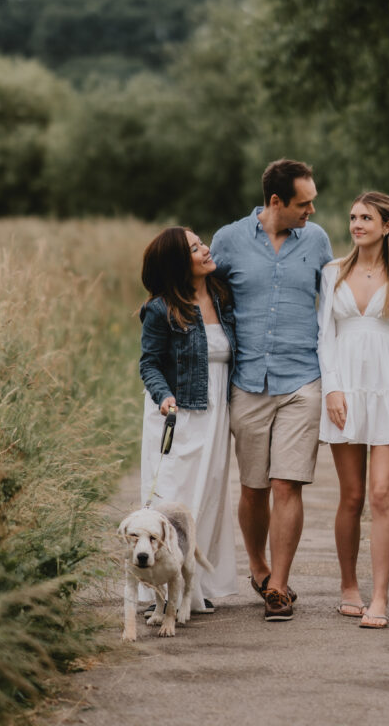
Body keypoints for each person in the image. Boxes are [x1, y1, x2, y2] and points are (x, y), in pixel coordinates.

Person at [210, 159, 333, 621]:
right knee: (254, 487)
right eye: (305, 202)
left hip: (303, 378)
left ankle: (279, 585)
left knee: (287, 482)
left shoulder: (317, 240)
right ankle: (258, 567)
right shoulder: (228, 240)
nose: (312, 210)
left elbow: (335, 304)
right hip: (248, 380)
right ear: (276, 202)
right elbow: (205, 293)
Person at [318, 191, 389, 629]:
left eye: (366, 217)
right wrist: (332, 390)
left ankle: (380, 598)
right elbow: (324, 338)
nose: (356, 224)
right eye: (352, 217)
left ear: (388, 225)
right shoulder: (333, 273)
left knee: (382, 494)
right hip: (345, 392)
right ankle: (350, 586)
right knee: (352, 495)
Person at [139, 226, 238, 613]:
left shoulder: (221, 296)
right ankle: (159, 592)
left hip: (216, 413)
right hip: (177, 415)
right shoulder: (161, 308)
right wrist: (163, 396)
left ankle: (196, 587)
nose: (206, 249)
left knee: (209, 497)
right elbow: (148, 363)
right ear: (181, 263)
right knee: (171, 502)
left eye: (202, 242)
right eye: (195, 248)